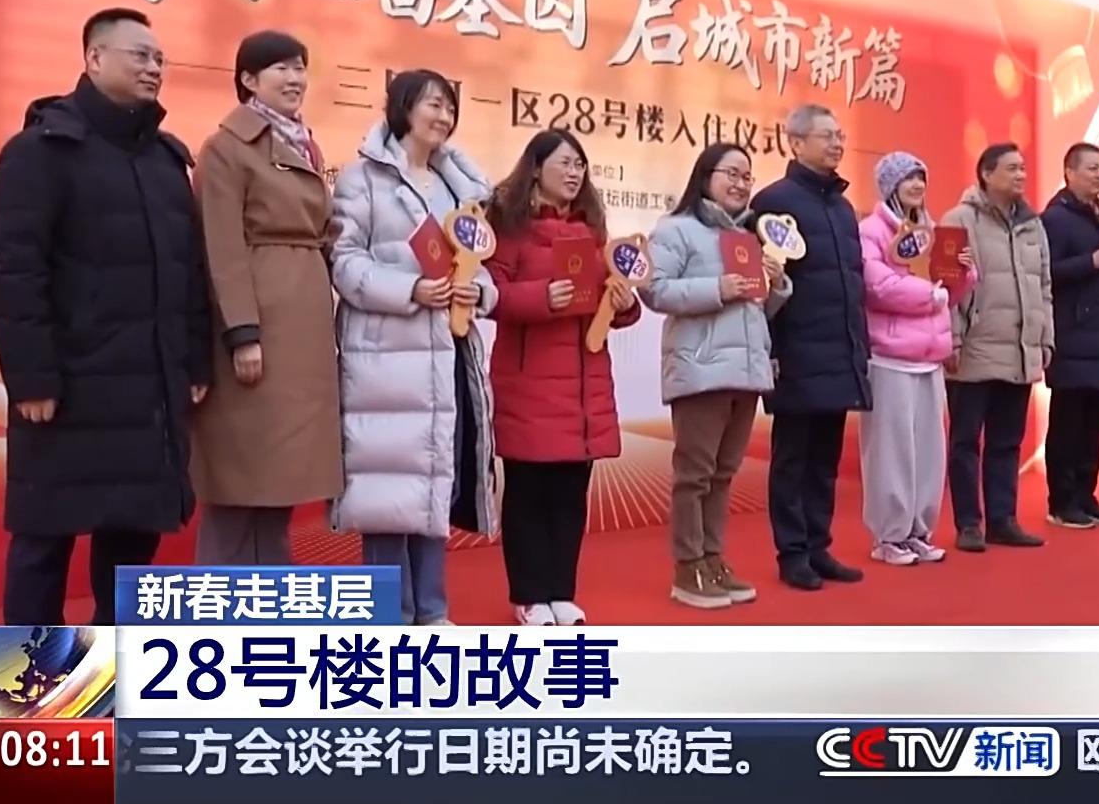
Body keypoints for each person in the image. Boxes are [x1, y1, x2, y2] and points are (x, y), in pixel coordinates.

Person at [0, 7, 210, 625]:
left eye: (159, 58)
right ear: (94, 58)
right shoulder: (40, 151)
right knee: (44, 537)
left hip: (148, 389)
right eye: (140, 55)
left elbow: (190, 273)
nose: (154, 67)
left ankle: (114, 663)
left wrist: (194, 361)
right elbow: (14, 274)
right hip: (67, 386)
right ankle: (25, 668)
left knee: (132, 540)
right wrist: (31, 378)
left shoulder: (166, 161)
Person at [329, 69, 499, 625]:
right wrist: (410, 289)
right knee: (387, 490)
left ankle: (432, 610)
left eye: (450, 107)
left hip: (447, 354)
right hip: (385, 357)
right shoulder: (362, 179)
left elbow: (481, 266)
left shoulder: (459, 187)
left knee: (433, 481)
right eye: (433, 104)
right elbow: (344, 262)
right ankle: (389, 616)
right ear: (403, 107)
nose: (443, 116)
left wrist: (478, 291)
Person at [189, 31, 341, 565]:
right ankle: (217, 600)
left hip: (303, 325)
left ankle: (271, 595)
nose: (295, 78)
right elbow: (221, 246)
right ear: (249, 80)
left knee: (281, 481)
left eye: (300, 67)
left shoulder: (304, 143)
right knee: (242, 479)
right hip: (260, 325)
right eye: (281, 68)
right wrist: (242, 332)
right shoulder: (227, 147)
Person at [483, 129, 640, 626]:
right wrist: (540, 297)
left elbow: (612, 300)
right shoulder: (509, 225)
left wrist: (623, 303)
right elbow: (489, 292)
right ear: (536, 168)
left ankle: (560, 592)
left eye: (580, 165)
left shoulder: (592, 230)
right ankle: (529, 595)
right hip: (528, 380)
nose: (575, 173)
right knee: (529, 493)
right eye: (565, 163)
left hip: (584, 384)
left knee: (571, 494)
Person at [643, 144, 790, 609]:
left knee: (724, 474)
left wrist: (775, 284)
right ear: (705, 175)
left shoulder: (749, 235)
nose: (741, 184)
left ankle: (712, 558)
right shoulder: (676, 229)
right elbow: (653, 289)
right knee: (695, 475)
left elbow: (757, 307)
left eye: (747, 176)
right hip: (700, 368)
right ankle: (687, 567)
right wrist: (718, 287)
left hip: (745, 371)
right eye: (732, 173)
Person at [751, 104, 872, 591]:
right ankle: (793, 553)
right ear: (796, 143)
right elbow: (766, 286)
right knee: (792, 459)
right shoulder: (773, 202)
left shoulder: (842, 208)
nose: (838, 144)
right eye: (827, 136)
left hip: (839, 350)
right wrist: (773, 351)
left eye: (840, 135)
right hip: (796, 351)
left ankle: (819, 547)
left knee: (825, 459)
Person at [856, 152, 975, 566]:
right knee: (890, 452)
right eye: (908, 178)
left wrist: (963, 274)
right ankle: (889, 535)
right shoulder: (870, 231)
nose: (917, 185)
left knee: (928, 451)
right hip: (889, 358)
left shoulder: (932, 230)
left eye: (921, 178)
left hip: (929, 358)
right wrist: (931, 294)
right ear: (890, 185)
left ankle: (918, 530)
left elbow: (949, 293)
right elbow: (879, 287)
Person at [943, 143, 1052, 551]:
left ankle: (1003, 520)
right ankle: (969, 523)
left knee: (1007, 441)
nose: (1021, 175)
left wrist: (1045, 337)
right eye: (1011, 168)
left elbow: (1045, 287)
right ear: (986, 174)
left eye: (1023, 168)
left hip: (1019, 348)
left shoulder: (1033, 225)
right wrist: (952, 337)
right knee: (966, 441)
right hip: (974, 347)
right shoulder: (959, 219)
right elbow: (947, 286)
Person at [1039, 142, 1099, 530]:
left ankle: (1086, 495)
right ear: (1069, 172)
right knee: (1068, 425)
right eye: (1092, 168)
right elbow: (1046, 272)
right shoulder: (1055, 219)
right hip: (1071, 335)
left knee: (1095, 425)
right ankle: (1061, 501)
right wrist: (1089, 262)